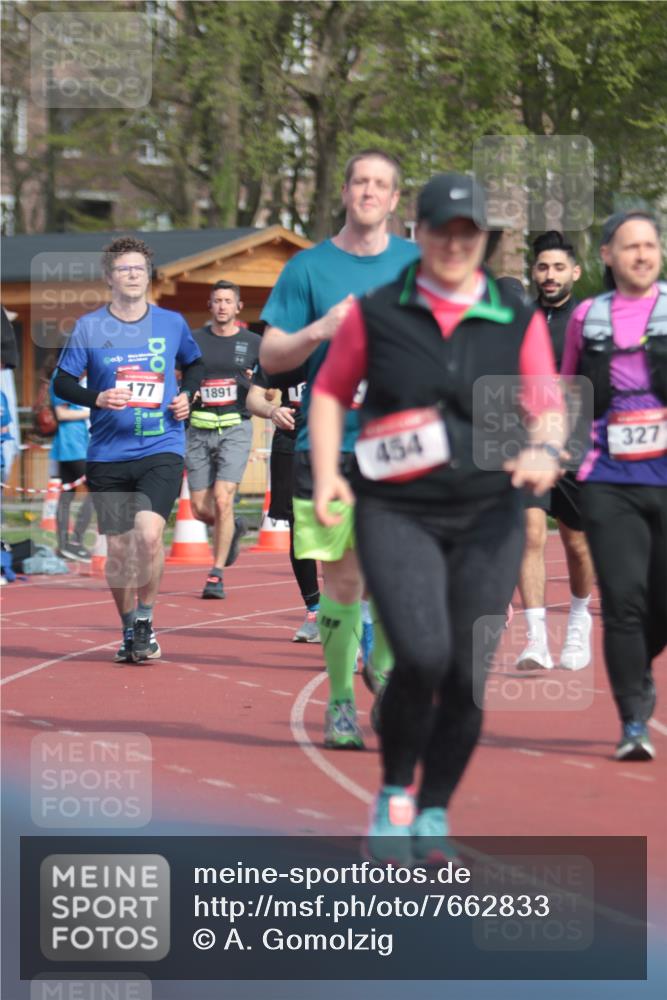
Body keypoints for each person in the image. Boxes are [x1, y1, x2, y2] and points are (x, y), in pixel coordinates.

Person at [310, 172, 564, 862]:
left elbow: (543, 399)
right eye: (441, 230)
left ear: (482, 241)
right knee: (420, 655)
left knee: (463, 676)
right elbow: (331, 393)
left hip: (489, 514)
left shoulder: (514, 317)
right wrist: (330, 470)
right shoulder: (377, 311)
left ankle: (431, 810)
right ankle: (393, 792)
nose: (454, 243)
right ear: (416, 233)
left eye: (468, 232)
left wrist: (542, 445)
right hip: (398, 511)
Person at [260, 149, 419, 749]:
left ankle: (387, 670)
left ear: (395, 198)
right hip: (330, 447)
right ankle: (342, 702)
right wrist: (321, 330)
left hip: (403, 444)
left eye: (381, 184)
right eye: (360, 181)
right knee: (344, 582)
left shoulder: (417, 264)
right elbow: (272, 356)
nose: (369, 192)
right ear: (346, 190)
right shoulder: (307, 269)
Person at [53, 235, 204, 663]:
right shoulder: (89, 327)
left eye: (139, 268)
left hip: (162, 445)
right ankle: (127, 630)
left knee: (149, 536)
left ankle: (145, 621)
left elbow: (195, 364)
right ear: (109, 278)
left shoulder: (171, 323)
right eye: (124, 269)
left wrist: (187, 395)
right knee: (118, 551)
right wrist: (96, 399)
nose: (133, 275)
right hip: (107, 453)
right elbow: (61, 382)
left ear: (148, 276)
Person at [561, 210, 667, 761]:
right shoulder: (587, 317)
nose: (642, 255)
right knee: (623, 603)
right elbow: (568, 388)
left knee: (658, 606)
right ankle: (633, 721)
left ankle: (636, 664)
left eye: (651, 245)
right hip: (607, 480)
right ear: (607, 254)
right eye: (631, 246)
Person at [516, 231, 595, 671]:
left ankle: (579, 622)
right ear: (534, 271)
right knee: (528, 536)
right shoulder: (519, 320)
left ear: (575, 273)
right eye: (543, 267)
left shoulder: (587, 320)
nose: (550, 275)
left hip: (574, 449)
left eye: (558, 268)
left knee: (577, 546)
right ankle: (536, 641)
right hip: (523, 446)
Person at [187, 281, 259, 598]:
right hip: (198, 427)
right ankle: (235, 528)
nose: (222, 306)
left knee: (222, 498)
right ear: (210, 305)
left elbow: (270, 389)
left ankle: (216, 574)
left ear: (238, 307)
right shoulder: (194, 340)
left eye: (228, 301)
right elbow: (181, 378)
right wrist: (190, 391)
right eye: (217, 301)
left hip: (235, 426)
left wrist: (258, 386)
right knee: (201, 510)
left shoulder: (254, 342)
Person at [247, 366, 321, 642]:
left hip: (342, 443)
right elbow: (254, 398)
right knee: (300, 525)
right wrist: (271, 411)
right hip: (293, 444)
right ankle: (314, 609)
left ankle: (357, 612)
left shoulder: (349, 338)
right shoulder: (284, 349)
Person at [49, 372, 94, 561]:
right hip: (73, 444)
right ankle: (74, 542)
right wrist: (94, 408)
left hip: (75, 443)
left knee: (68, 494)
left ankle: (65, 545)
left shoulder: (78, 377)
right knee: (97, 489)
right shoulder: (61, 376)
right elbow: (62, 413)